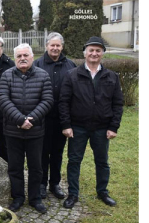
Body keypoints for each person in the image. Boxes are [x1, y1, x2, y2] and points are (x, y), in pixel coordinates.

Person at [59, 36, 123, 209]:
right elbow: (64, 102)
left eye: (98, 50)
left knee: (102, 161)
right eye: (91, 50)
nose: (94, 53)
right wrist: (66, 125)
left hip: (102, 129)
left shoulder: (112, 76)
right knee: (74, 161)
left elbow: (117, 103)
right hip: (77, 128)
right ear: (85, 53)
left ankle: (103, 191)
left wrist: (113, 127)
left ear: (102, 53)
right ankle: (73, 194)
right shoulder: (72, 75)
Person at [0, 43, 53, 214]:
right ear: (15, 59)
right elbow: (3, 100)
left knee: (36, 167)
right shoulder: (7, 75)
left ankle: (35, 198)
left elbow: (48, 100)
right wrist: (20, 120)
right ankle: (18, 197)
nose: (22, 58)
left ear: (32, 57)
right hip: (13, 131)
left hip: (35, 131)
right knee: (15, 166)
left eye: (25, 55)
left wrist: (32, 119)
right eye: (19, 56)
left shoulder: (43, 76)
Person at [33, 32, 76, 199]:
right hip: (42, 118)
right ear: (46, 46)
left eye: (58, 45)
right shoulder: (37, 64)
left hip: (62, 119)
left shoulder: (70, 65)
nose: (55, 48)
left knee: (57, 152)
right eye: (52, 45)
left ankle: (54, 183)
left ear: (62, 47)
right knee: (42, 152)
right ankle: (42, 183)